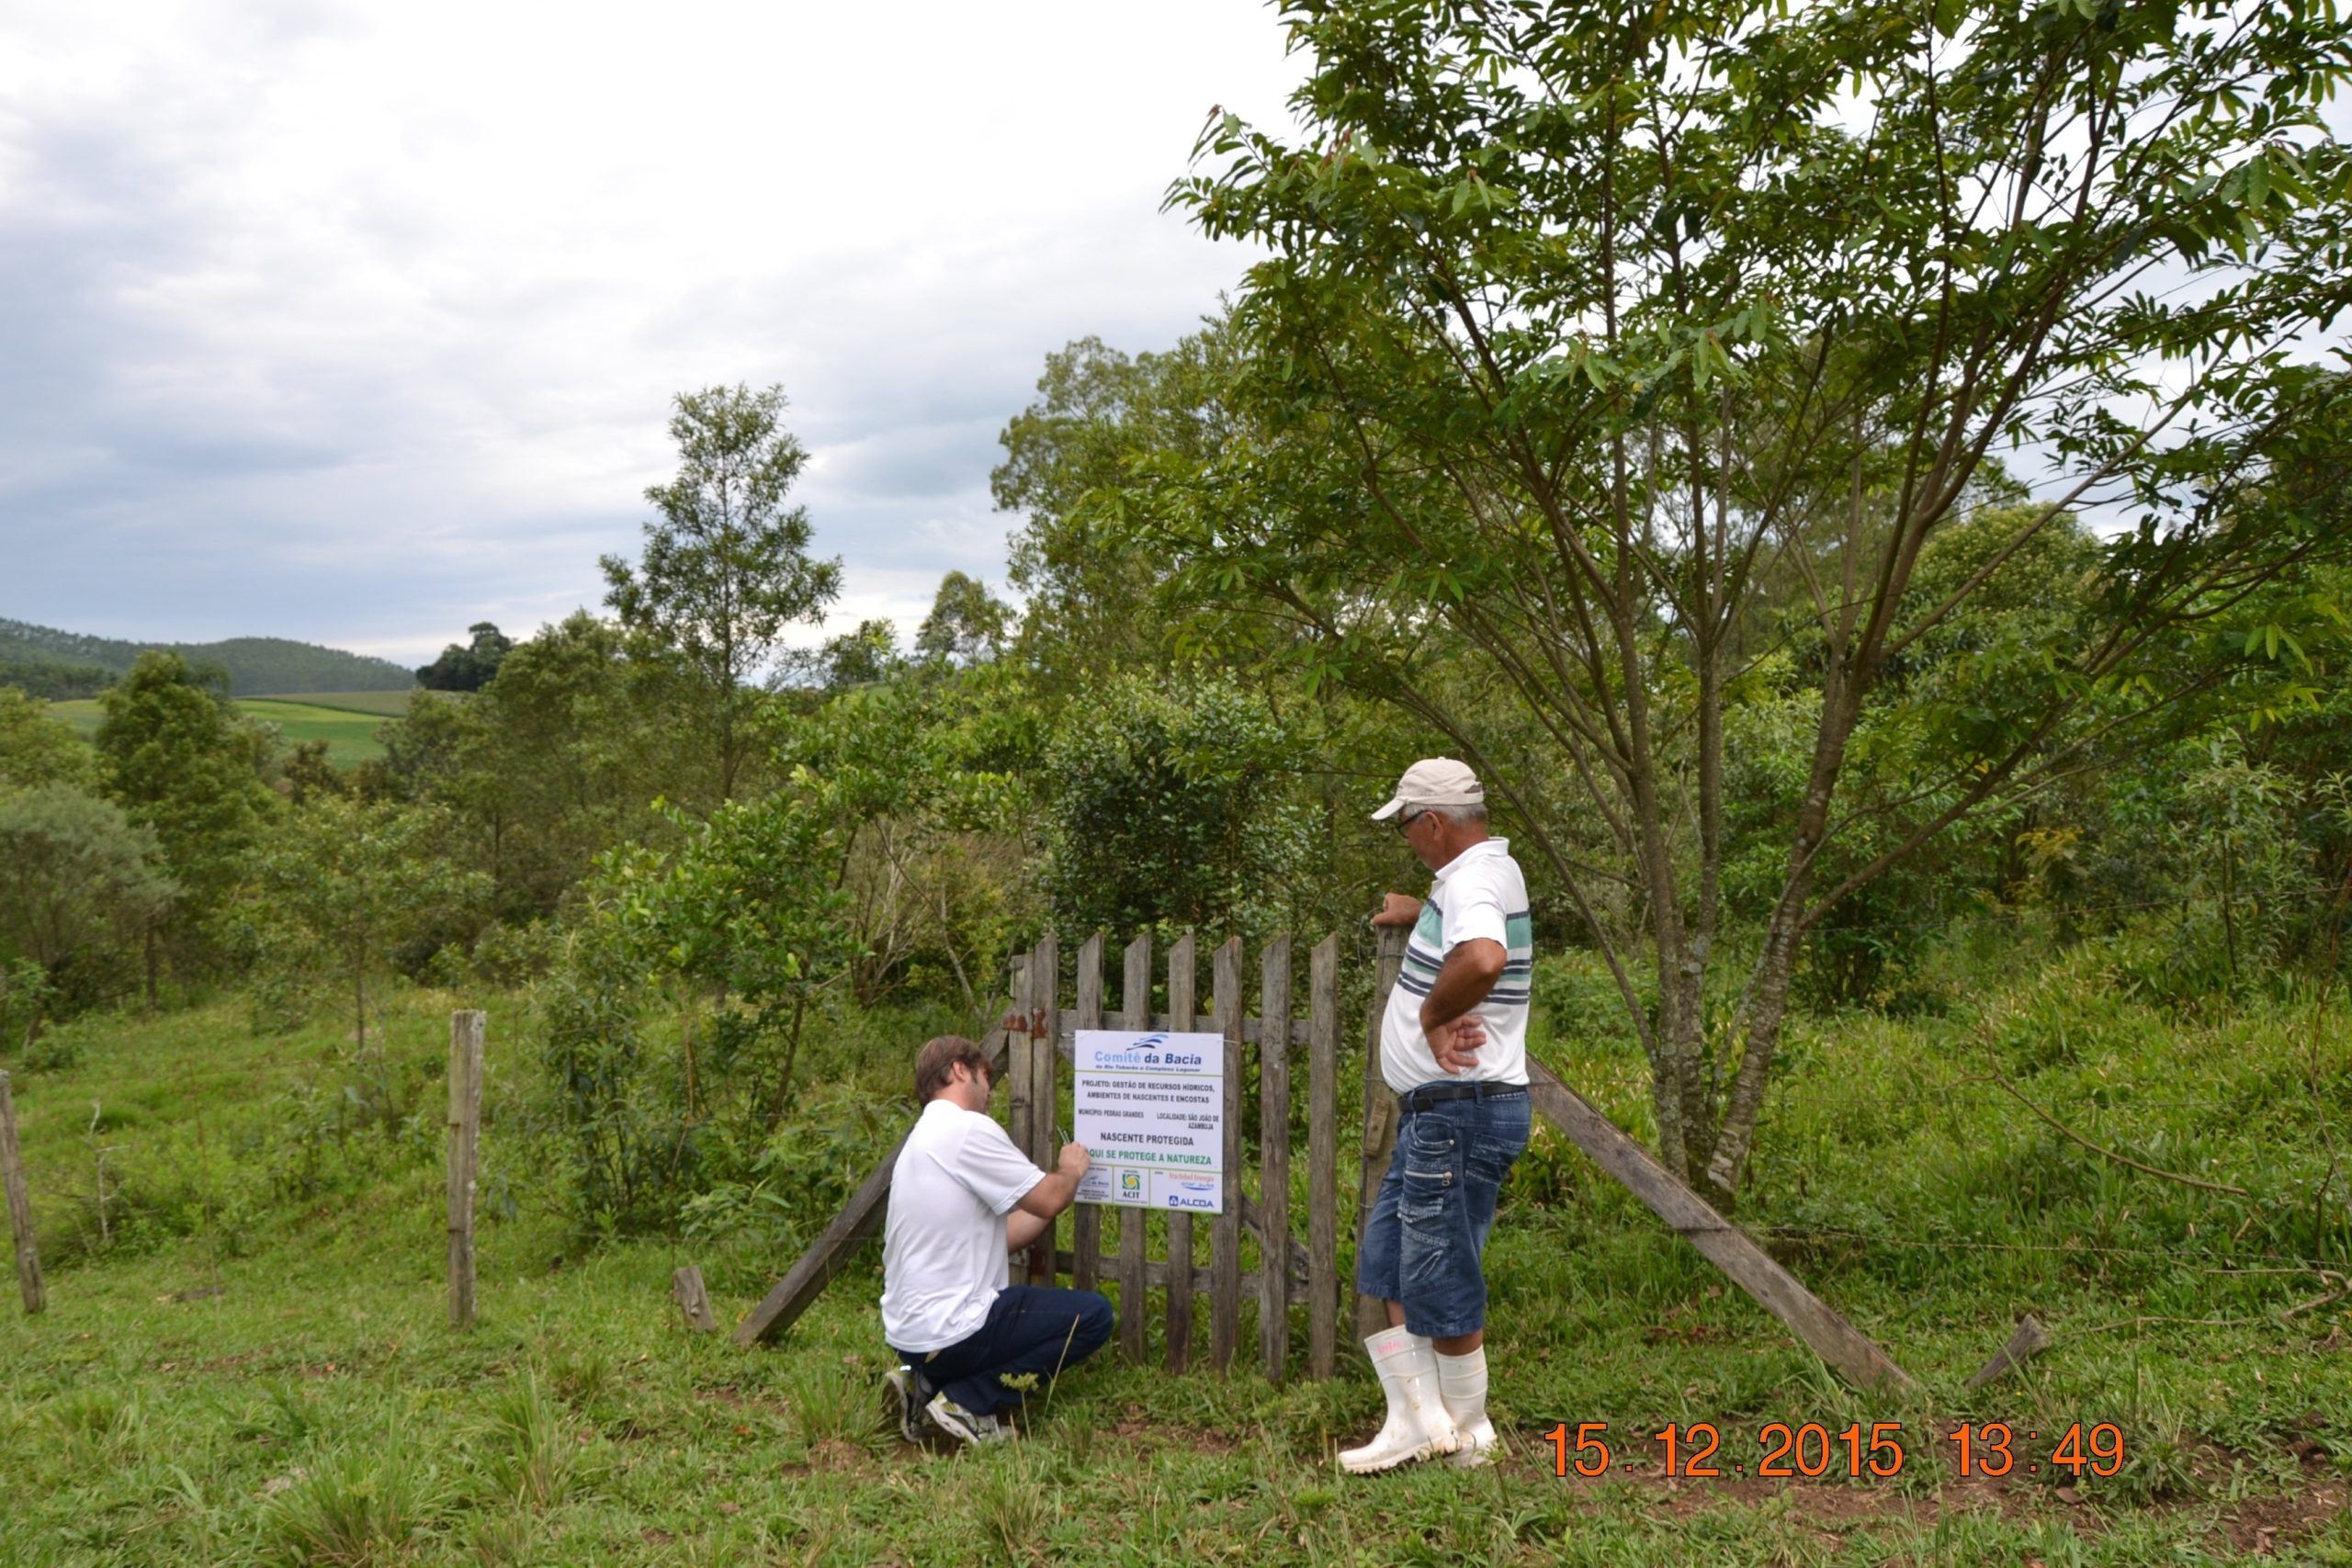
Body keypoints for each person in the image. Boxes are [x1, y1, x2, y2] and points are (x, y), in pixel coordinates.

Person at [1343, 758, 1532, 1474]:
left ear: (1433, 822)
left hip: (1460, 1111)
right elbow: (1460, 928)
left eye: (1405, 826)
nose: (1406, 839)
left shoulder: (1475, 882)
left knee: (1441, 1271)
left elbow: (1483, 955)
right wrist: (1412, 909)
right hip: (1443, 1112)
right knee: (1390, 1262)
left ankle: (1471, 1436)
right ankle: (1415, 1421)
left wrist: (1430, 1012)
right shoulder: (1472, 875)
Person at [879, 1033, 1114, 1446]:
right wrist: (1071, 1171)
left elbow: (997, 1236)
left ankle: (924, 1383)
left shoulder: (920, 1140)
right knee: (1093, 1316)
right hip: (953, 1332)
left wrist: (1047, 1204)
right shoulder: (966, 1129)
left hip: (909, 1337)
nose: (990, 1090)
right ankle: (969, 1402)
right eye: (986, 1076)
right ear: (958, 1070)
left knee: (993, 1320)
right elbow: (1049, 1197)